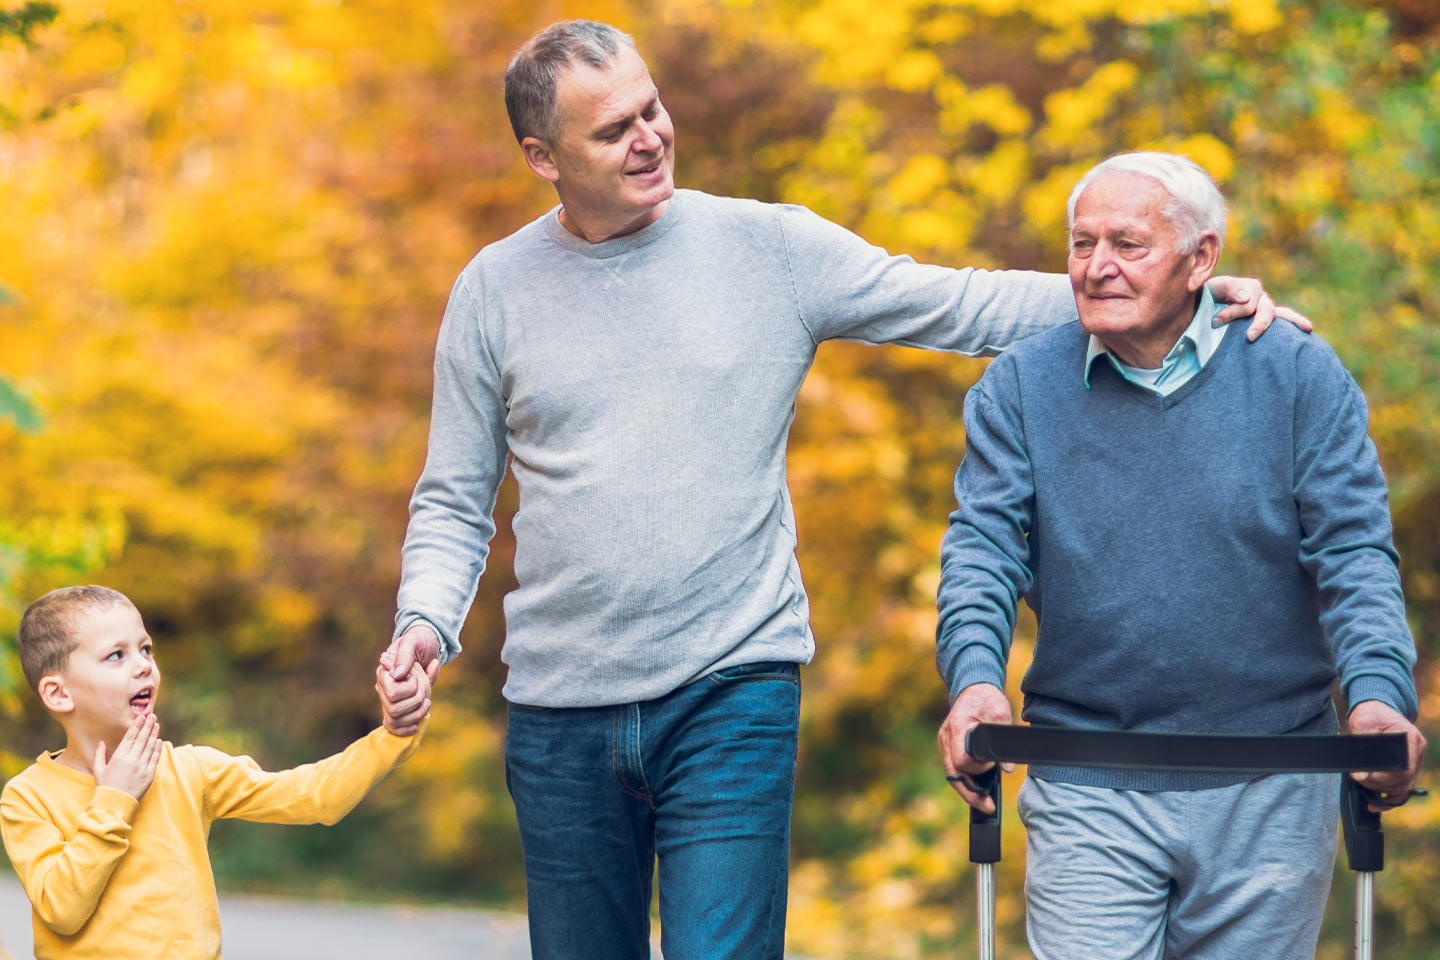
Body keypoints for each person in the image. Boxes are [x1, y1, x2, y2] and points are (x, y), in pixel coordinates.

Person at [376, 20, 1296, 960]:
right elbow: (454, 498)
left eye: (653, 108)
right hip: (557, 708)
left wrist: (1175, 293)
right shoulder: (494, 290)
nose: (651, 136)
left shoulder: (767, 249)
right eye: (614, 130)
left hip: (729, 687)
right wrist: (424, 624)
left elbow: (962, 304)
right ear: (543, 156)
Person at [935, 151, 1425, 959]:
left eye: (1128, 244)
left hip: (1272, 780)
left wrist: (1378, 695)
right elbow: (984, 551)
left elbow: (1353, 552)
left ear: (1202, 260)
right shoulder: (1019, 388)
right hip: (1087, 773)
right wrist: (976, 681)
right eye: (1081, 243)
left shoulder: (1297, 374)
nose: (1097, 268)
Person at [0, 585, 434, 960]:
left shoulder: (191, 769)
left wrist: (393, 735)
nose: (142, 665)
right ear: (58, 694)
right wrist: (115, 798)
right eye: (116, 655)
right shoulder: (27, 797)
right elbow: (62, 909)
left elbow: (314, 796)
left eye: (145, 649)